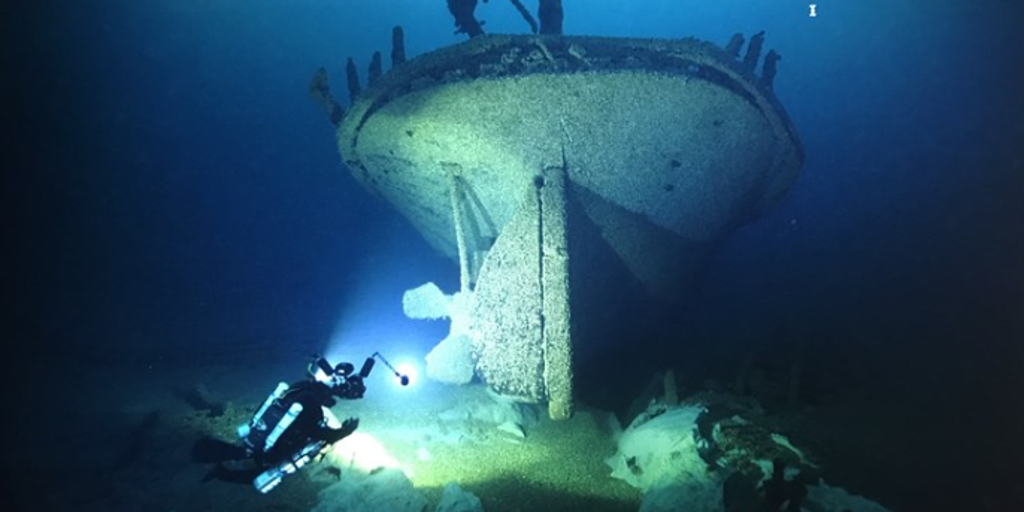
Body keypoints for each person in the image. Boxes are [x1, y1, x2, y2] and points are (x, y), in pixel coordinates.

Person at [191, 355, 371, 493]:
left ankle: (213, 461)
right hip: (272, 452)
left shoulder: (299, 387)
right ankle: (218, 469)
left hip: (258, 437)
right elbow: (320, 434)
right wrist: (345, 431)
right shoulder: (312, 406)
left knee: (245, 454)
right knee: (258, 473)